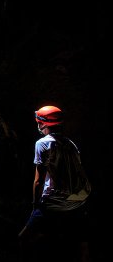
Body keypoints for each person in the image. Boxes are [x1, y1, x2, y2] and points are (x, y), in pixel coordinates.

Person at [18, 105, 92, 262]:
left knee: (24, 239)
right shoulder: (71, 144)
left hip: (54, 202)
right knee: (81, 244)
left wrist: (35, 206)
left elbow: (38, 181)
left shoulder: (42, 144)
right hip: (78, 201)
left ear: (43, 123)